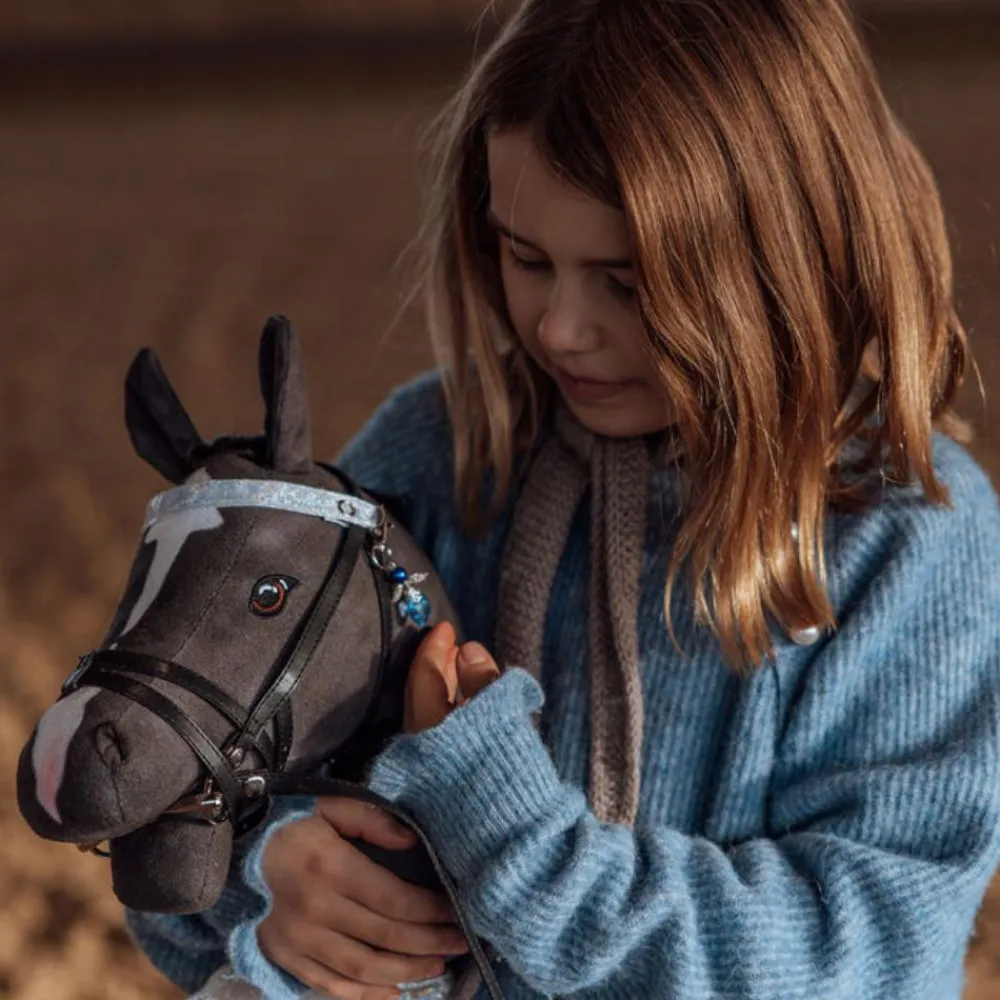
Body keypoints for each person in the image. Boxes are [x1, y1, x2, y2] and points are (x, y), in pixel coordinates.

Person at [126, 1, 1000, 998]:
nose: (560, 328)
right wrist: (265, 874)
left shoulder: (907, 541)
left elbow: (882, 952)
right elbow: (171, 808)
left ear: (788, 254)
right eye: (527, 258)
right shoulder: (435, 454)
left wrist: (521, 847)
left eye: (626, 281)